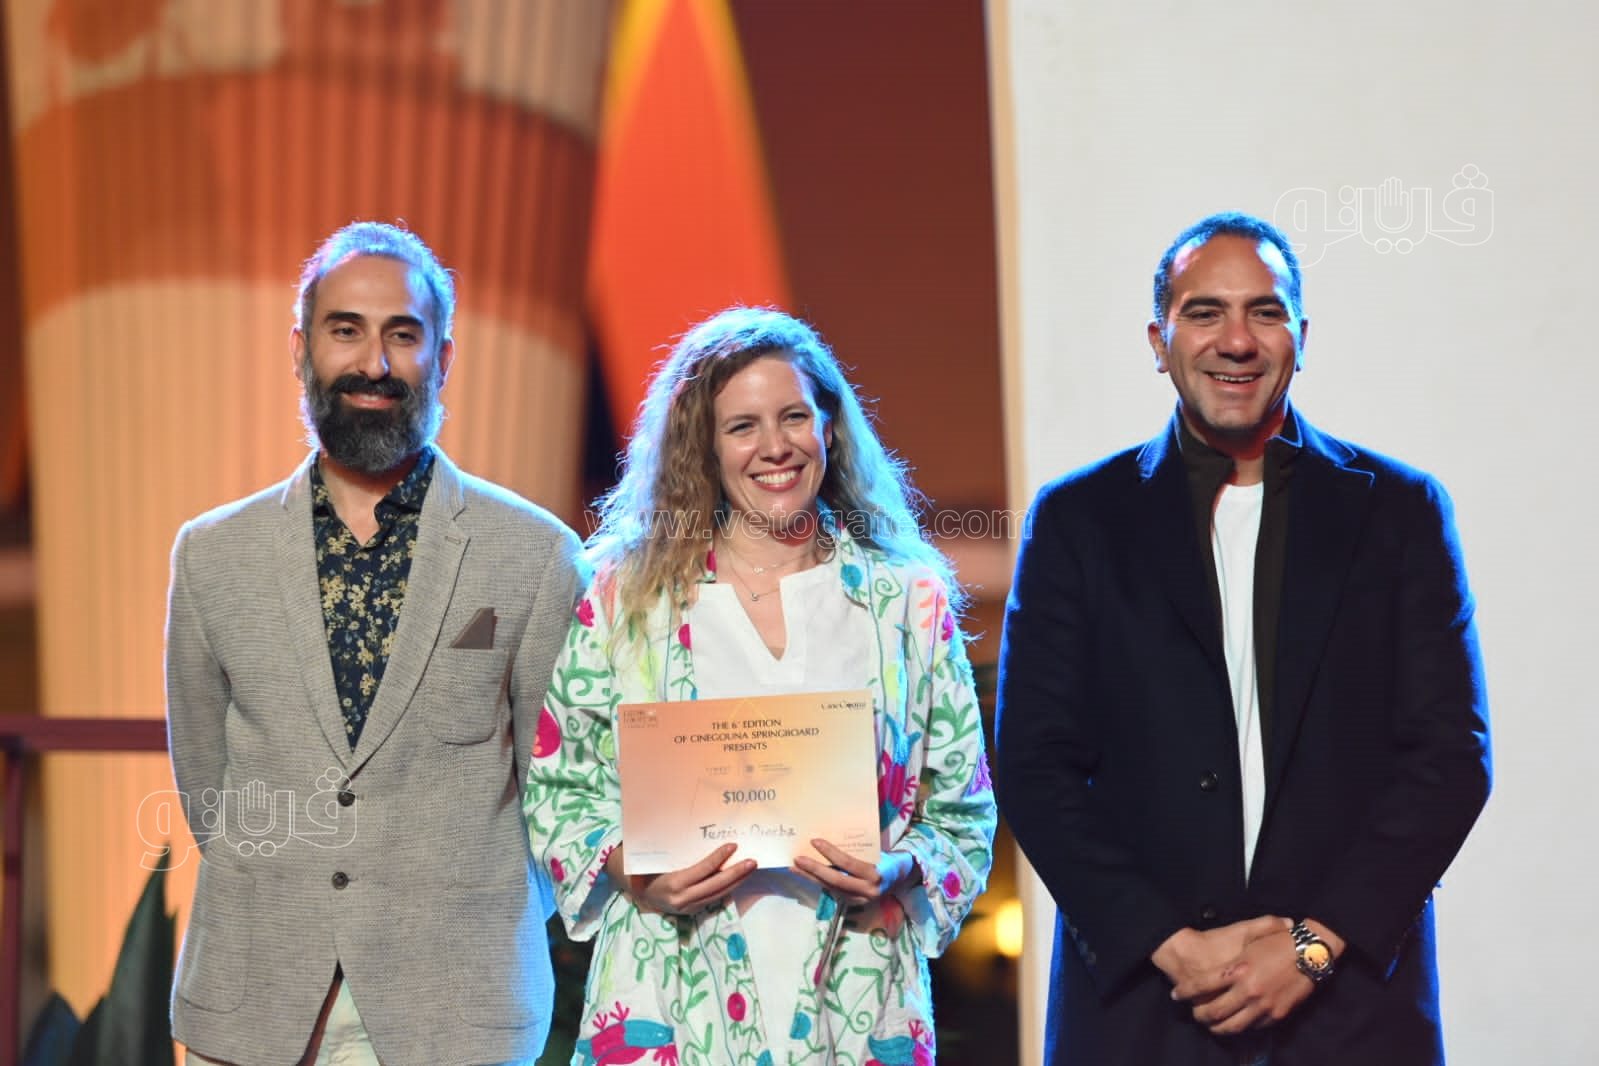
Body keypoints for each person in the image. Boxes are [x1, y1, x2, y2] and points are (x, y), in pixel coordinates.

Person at [995, 212, 1491, 1065]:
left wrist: (1312, 949)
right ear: (1158, 342)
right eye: (1204, 312)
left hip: (1347, 1015)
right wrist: (1168, 945)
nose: (1236, 340)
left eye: (1264, 312)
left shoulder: (1399, 511)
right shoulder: (1079, 519)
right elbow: (1035, 765)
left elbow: (1449, 757)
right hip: (1143, 1013)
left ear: (1301, 337)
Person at [524, 307, 996, 1066]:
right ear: (704, 446)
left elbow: (963, 810)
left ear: (829, 428)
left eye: (794, 417)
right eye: (742, 426)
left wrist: (898, 867)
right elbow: (558, 788)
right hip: (667, 995)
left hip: (857, 1002)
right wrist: (631, 871)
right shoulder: (625, 600)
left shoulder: (906, 603)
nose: (775, 447)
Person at [166, 221, 585, 1065]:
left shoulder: (535, 553)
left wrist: (473, 913)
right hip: (255, 1001)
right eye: (345, 330)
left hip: (456, 1009)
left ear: (443, 357)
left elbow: (561, 789)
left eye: (402, 334)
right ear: (300, 350)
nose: (374, 363)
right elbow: (207, 788)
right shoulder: (212, 554)